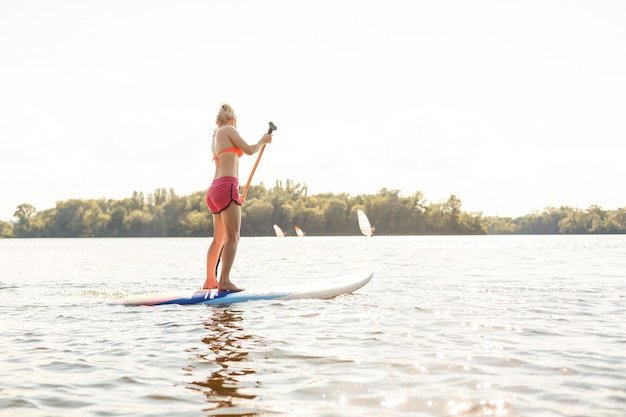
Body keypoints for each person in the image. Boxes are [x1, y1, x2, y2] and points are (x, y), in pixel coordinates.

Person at [203, 103, 272, 291]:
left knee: (219, 239)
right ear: (232, 119)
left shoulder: (215, 137)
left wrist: (233, 193)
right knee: (233, 237)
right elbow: (249, 150)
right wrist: (263, 140)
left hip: (215, 189)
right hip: (226, 185)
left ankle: (210, 280)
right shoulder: (229, 129)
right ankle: (224, 281)